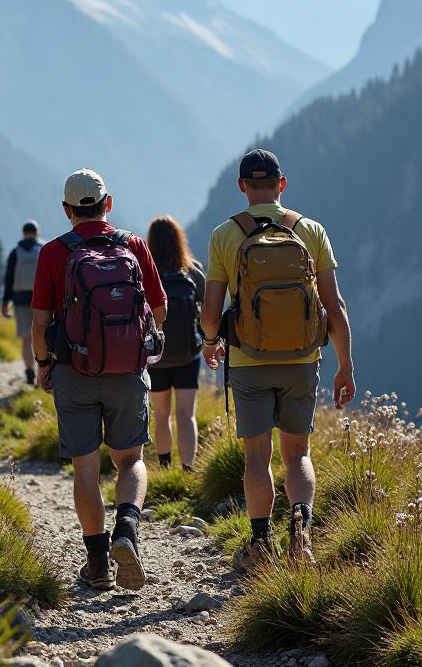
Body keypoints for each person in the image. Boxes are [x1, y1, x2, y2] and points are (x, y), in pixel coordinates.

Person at [201, 148, 354, 569]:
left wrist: (211, 342)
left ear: (242, 186)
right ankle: (301, 529)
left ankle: (259, 545)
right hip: (302, 360)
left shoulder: (224, 236)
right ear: (282, 184)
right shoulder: (312, 231)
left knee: (256, 457)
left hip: (249, 361)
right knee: (297, 455)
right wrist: (345, 365)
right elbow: (334, 306)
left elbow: (211, 313)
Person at [32, 169, 167, 592]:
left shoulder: (55, 252)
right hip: (128, 372)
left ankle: (97, 564)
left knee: (85, 469)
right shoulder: (134, 246)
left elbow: (40, 323)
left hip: (74, 370)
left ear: (67, 210)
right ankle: (126, 531)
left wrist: (43, 364)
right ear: (108, 204)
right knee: (130, 460)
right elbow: (159, 311)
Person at [147, 216, 206, 472]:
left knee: (161, 415)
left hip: (156, 356)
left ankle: (163, 467)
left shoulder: (145, 272)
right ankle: (188, 468)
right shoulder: (193, 271)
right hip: (187, 355)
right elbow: (206, 310)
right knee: (186, 415)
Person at [2, 220, 45, 385]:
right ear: (37, 232)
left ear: (23, 233)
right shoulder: (43, 249)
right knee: (42, 335)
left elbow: (8, 279)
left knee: (27, 338)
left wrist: (5, 301)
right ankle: (44, 370)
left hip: (19, 299)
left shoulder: (15, 252)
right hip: (41, 299)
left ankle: (29, 371)